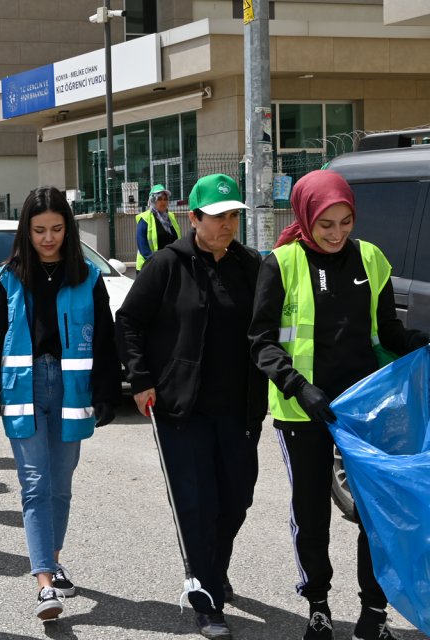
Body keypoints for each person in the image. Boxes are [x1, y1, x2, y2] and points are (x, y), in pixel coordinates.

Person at [250, 170, 430, 640]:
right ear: (307, 217)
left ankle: (373, 612)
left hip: (364, 409)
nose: (336, 234)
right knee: (311, 514)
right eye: (326, 224)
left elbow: (388, 331)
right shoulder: (282, 263)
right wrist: (298, 387)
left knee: (374, 515)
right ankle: (318, 605)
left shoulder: (370, 258)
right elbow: (261, 343)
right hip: (302, 411)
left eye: (345, 222)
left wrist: (422, 343)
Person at [114, 174, 266, 639]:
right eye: (218, 217)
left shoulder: (251, 265)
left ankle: (213, 568)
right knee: (196, 503)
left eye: (233, 216)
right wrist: (140, 381)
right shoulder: (167, 264)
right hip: (182, 406)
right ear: (193, 218)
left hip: (239, 405)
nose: (227, 225)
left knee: (236, 498)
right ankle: (205, 598)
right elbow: (130, 321)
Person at [0, 186, 122, 621]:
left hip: (72, 390)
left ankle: (53, 562)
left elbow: (107, 341)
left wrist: (107, 392)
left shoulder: (89, 279)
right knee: (35, 483)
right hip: (24, 387)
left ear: (69, 230)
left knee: (61, 484)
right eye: (39, 230)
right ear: (27, 231)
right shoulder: (8, 277)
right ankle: (43, 584)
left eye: (57, 229)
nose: (48, 238)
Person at [135, 184, 180, 273]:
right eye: (159, 199)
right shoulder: (145, 218)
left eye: (165, 199)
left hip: (169, 266)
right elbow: (143, 246)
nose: (163, 202)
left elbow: (176, 240)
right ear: (152, 201)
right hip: (149, 267)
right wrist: (156, 264)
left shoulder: (171, 217)